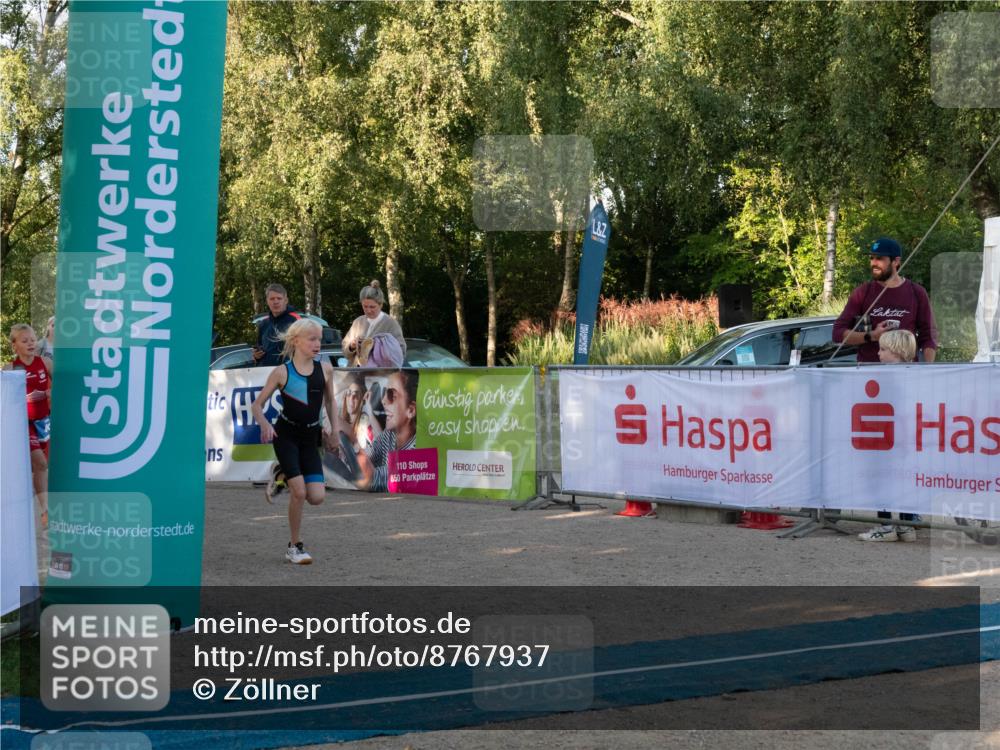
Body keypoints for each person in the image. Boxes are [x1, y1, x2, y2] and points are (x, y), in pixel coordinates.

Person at [252, 319, 342, 564]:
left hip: (311, 437)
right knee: (299, 492)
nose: (317, 344)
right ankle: (295, 546)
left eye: (319, 339)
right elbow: (256, 405)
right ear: (296, 341)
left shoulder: (325, 369)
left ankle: (281, 475)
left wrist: (334, 431)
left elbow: (331, 402)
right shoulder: (282, 372)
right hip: (286, 436)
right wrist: (264, 423)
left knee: (317, 497)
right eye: (311, 339)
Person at [833, 237, 938, 363]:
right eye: (871, 258)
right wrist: (871, 336)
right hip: (869, 374)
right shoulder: (862, 292)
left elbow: (929, 337)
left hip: (906, 374)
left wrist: (928, 369)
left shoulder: (917, 292)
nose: (874, 263)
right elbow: (837, 333)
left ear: (896, 261)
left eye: (880, 258)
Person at [858, 328, 920, 543]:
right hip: (903, 438)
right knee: (903, 480)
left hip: (890, 438)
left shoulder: (890, 378)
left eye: (883, 349)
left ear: (897, 351)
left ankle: (887, 526)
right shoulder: (914, 375)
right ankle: (906, 525)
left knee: (882, 480)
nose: (878, 353)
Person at [6, 324, 52, 528]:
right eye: (24, 341)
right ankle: (45, 511)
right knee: (40, 463)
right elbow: (4, 399)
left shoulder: (45, 362)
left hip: (44, 421)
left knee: (42, 468)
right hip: (24, 424)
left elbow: (62, 384)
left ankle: (40, 510)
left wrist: (49, 393)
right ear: (14, 346)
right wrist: (24, 398)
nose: (30, 343)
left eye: (32, 339)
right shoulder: (10, 368)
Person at [356, 369, 417, 493]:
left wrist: (348, 438)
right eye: (384, 393)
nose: (383, 400)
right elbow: (368, 455)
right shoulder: (389, 435)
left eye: (391, 396)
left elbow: (370, 480)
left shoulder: (416, 450)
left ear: (410, 410)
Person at [343, 280, 406, 367]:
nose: (368, 310)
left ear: (381, 305)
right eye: (365, 306)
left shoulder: (391, 324)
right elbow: (345, 349)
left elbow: (400, 352)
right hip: (355, 375)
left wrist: (377, 347)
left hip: (378, 376)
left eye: (372, 307)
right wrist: (352, 346)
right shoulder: (358, 322)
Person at [253, 284, 301, 367]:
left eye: (279, 298)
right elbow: (258, 349)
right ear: (267, 301)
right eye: (272, 299)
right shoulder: (263, 324)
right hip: (266, 373)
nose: (275, 302)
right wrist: (256, 356)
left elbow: (306, 349)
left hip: (290, 373)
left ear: (286, 300)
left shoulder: (296, 321)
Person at [338, 372, 381, 454]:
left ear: (362, 400)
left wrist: (369, 410)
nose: (351, 398)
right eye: (349, 393)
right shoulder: (341, 420)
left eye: (356, 395)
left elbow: (382, 443)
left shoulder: (364, 423)